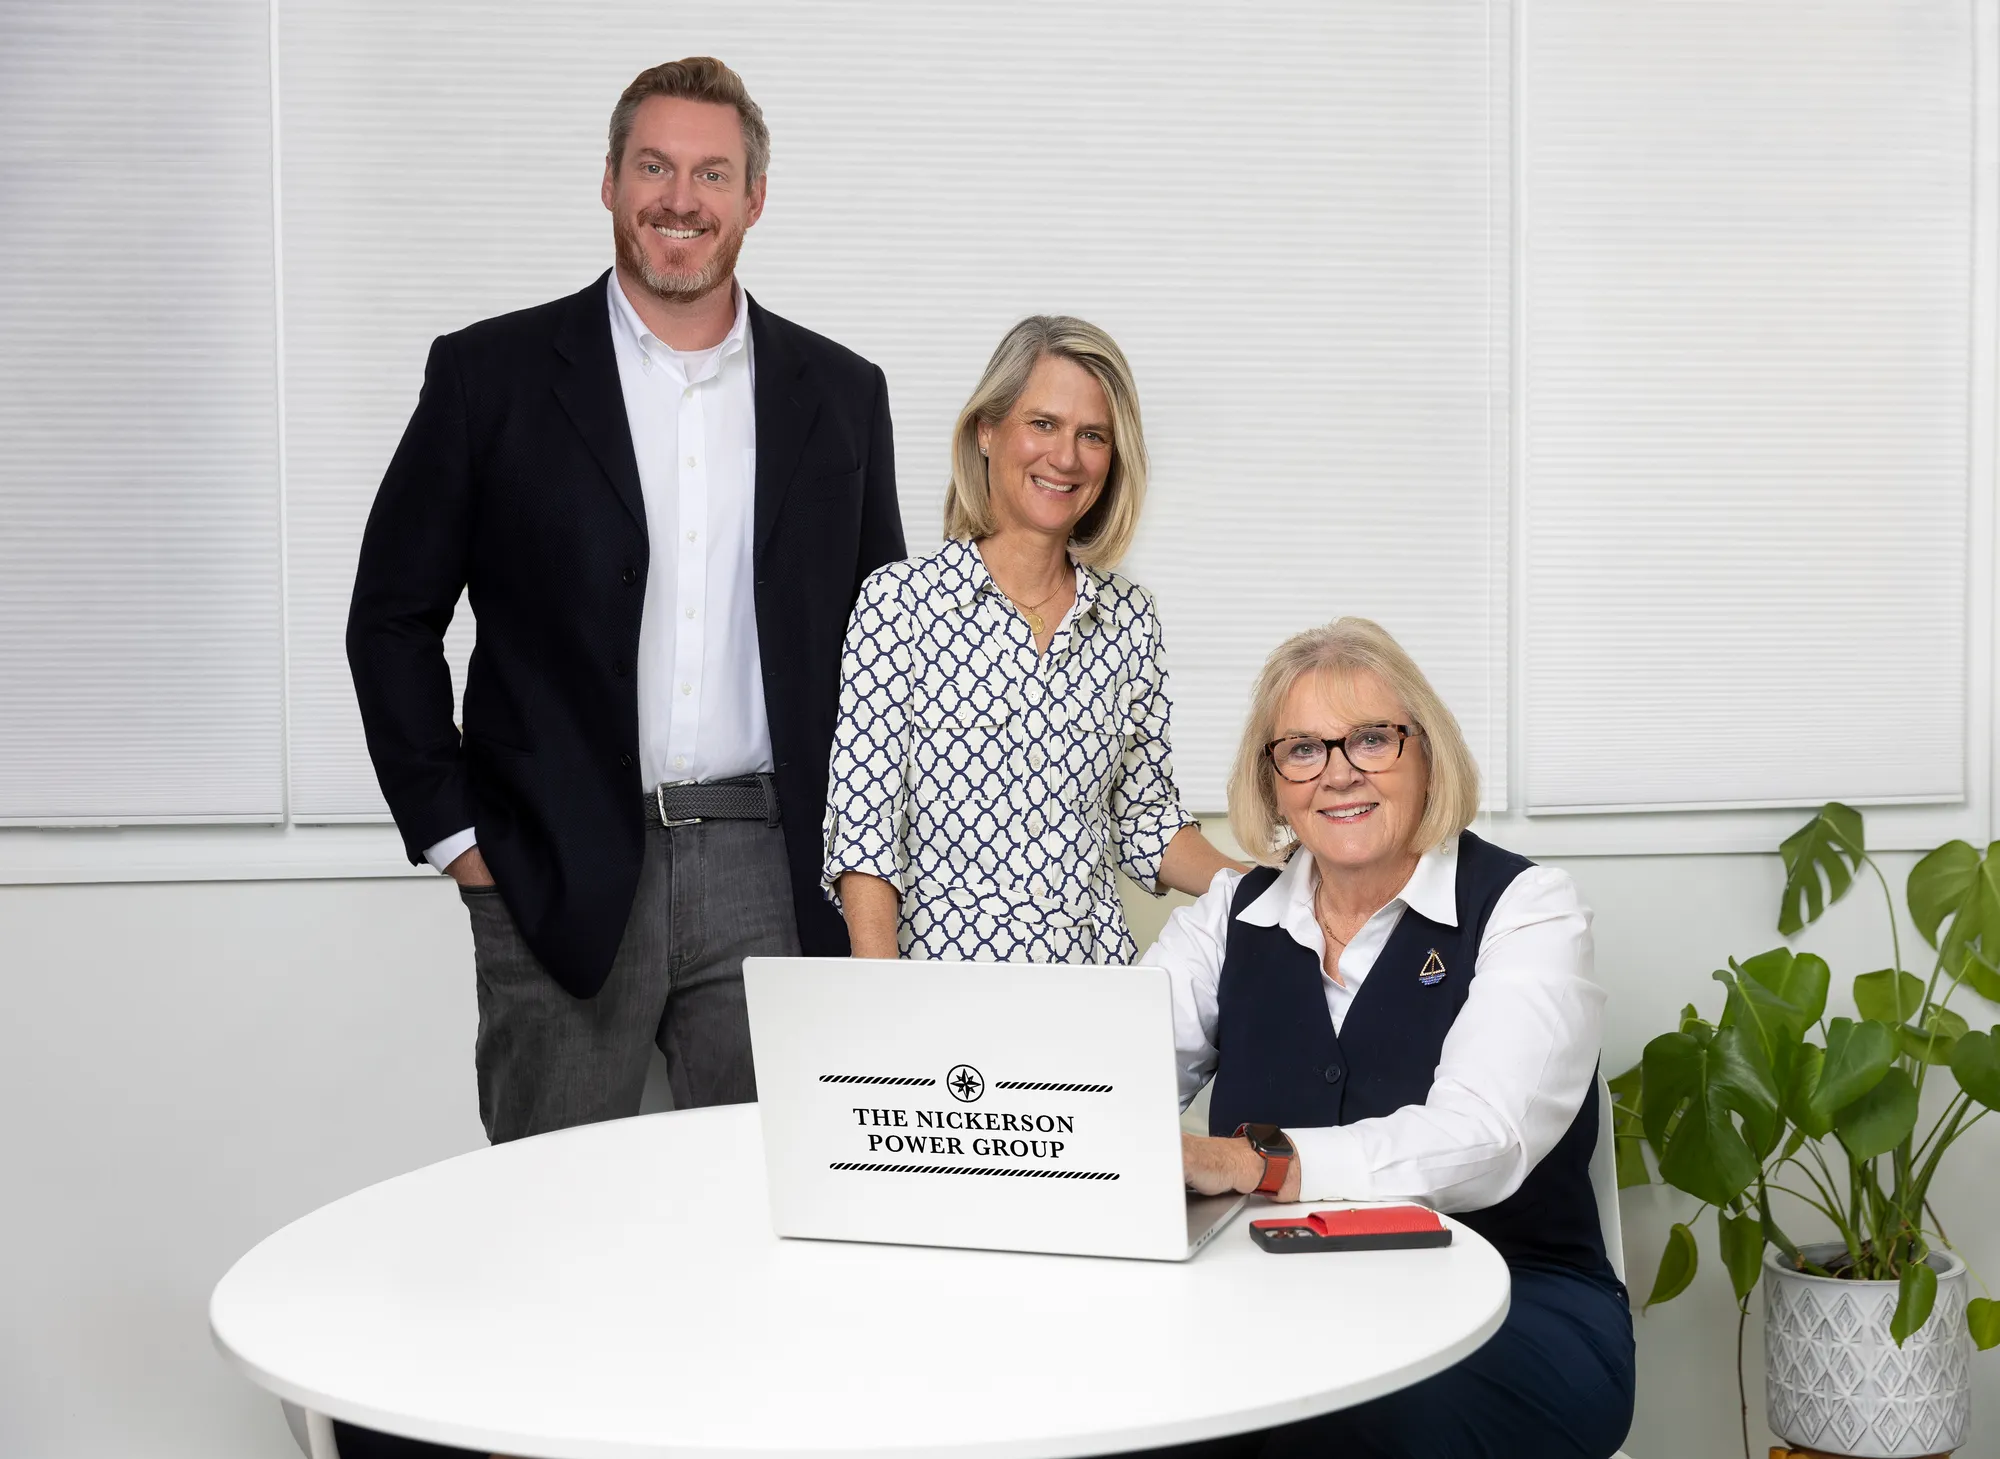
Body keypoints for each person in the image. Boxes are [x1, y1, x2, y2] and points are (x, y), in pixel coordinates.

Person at [347, 56, 903, 1146]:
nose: (679, 200)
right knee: (550, 1217)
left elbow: (878, 650)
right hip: (554, 864)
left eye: (710, 173)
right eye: (653, 166)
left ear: (753, 197)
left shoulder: (840, 394)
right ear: (608, 181)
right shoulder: (489, 377)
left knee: (772, 1205)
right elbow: (390, 616)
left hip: (771, 868)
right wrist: (460, 837)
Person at [1148, 618, 1634, 1459]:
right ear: (1273, 782)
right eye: (1302, 749)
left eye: (1371, 739)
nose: (1338, 773)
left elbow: (1483, 1138)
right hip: (1276, 1304)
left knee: (1339, 1422)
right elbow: (1099, 1078)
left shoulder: (1529, 909)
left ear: (1426, 753)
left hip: (1519, 1307)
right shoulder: (1231, 918)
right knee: (1146, 1407)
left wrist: (1261, 1162)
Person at [822, 316, 1239, 961]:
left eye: (1092, 435)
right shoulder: (899, 604)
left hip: (1092, 994)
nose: (1066, 458)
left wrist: (1264, 892)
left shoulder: (1129, 619)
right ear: (987, 430)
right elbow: (866, 833)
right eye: (1042, 424)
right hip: (941, 996)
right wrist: (882, 996)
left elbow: (1144, 821)